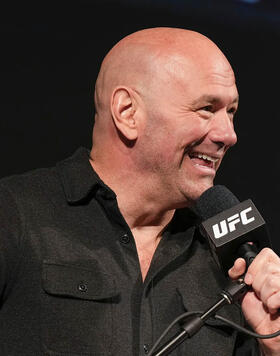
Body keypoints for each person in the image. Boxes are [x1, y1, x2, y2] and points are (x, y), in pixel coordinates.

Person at [0, 27, 280, 356]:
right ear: (127, 113)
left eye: (230, 112)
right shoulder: (14, 214)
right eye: (206, 108)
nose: (228, 135)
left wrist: (272, 348)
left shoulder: (229, 266)